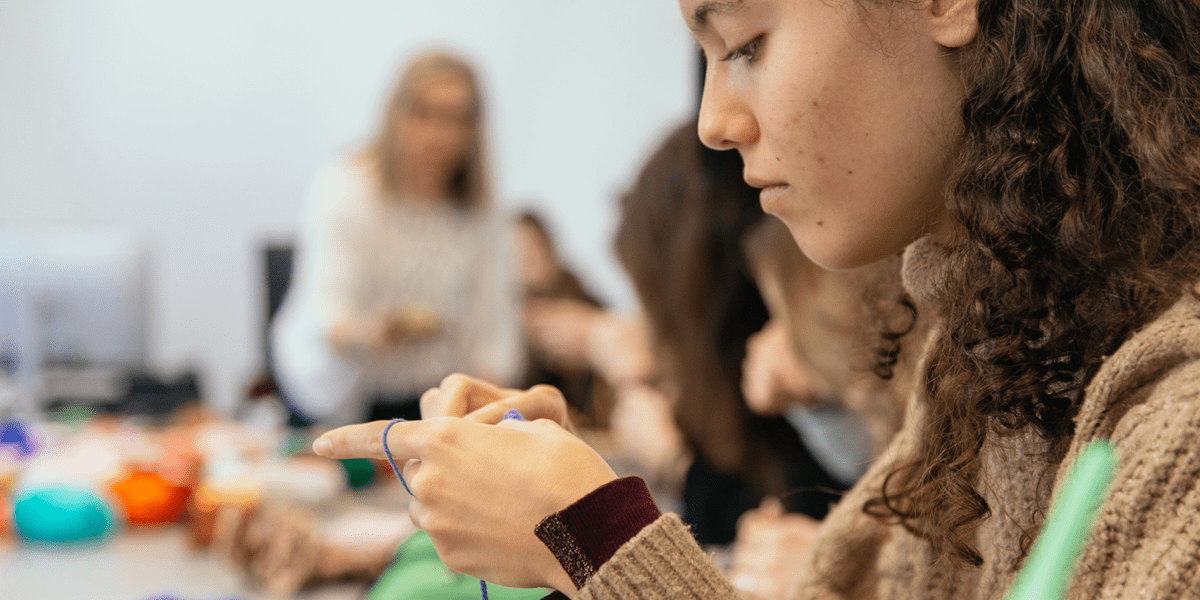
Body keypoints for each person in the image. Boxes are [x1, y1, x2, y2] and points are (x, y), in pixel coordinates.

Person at [313, 1, 1200, 598]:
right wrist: (570, 524)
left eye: (744, 45)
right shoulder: (982, 355)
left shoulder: (1180, 419)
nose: (713, 121)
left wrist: (596, 533)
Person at [271, 51, 523, 426]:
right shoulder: (347, 187)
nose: (438, 134)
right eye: (425, 113)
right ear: (397, 113)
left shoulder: (480, 212)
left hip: (430, 402)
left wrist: (490, 413)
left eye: (456, 118)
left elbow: (493, 330)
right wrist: (370, 332)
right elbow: (327, 310)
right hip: (341, 400)